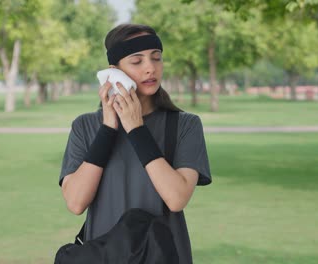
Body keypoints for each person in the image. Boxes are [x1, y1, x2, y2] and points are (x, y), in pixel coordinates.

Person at [59, 23, 211, 264]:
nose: (150, 68)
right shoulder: (85, 127)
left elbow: (177, 198)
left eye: (156, 58)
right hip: (104, 257)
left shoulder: (185, 125)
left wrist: (136, 129)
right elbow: (76, 202)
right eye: (137, 61)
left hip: (163, 256)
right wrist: (108, 130)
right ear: (113, 71)